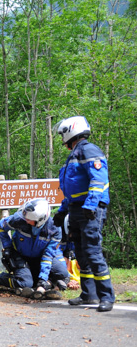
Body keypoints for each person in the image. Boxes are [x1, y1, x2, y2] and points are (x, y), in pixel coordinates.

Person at [53, 116, 115, 312]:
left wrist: (90, 205)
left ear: (71, 131)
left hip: (90, 210)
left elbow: (99, 179)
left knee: (92, 252)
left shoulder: (89, 150)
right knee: (79, 253)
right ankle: (89, 294)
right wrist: (62, 211)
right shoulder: (74, 155)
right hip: (76, 209)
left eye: (63, 134)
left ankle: (106, 296)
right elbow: (72, 189)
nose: (62, 139)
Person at [0, 198, 69, 299]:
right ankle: (0, 279)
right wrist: (7, 246)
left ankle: (44, 284)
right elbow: (1, 226)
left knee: (63, 274)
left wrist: (43, 278)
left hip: (40, 257)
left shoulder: (54, 229)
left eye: (29, 220)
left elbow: (48, 255)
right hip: (20, 255)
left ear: (41, 220)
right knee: (25, 283)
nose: (26, 220)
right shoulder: (19, 219)